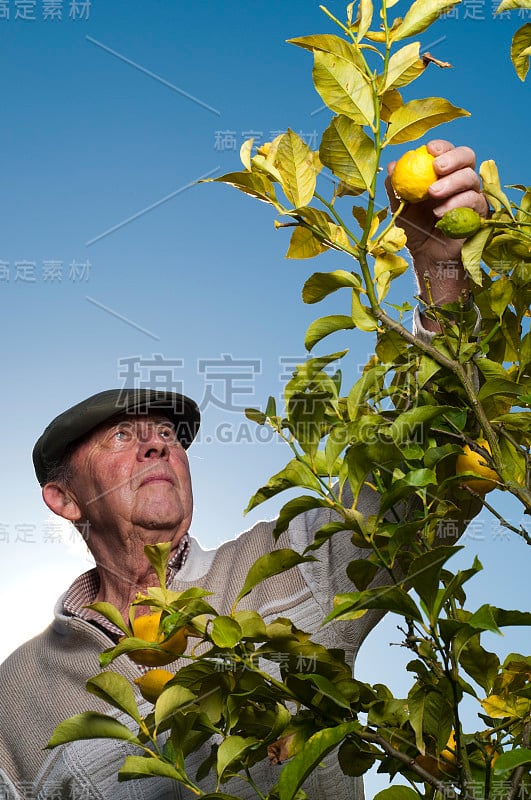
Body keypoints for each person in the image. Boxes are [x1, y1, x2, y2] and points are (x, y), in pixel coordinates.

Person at [0, 141, 488, 800]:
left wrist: (440, 271)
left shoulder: (288, 565)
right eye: (123, 436)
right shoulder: (19, 694)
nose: (158, 447)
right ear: (62, 498)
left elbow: (424, 479)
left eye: (169, 435)